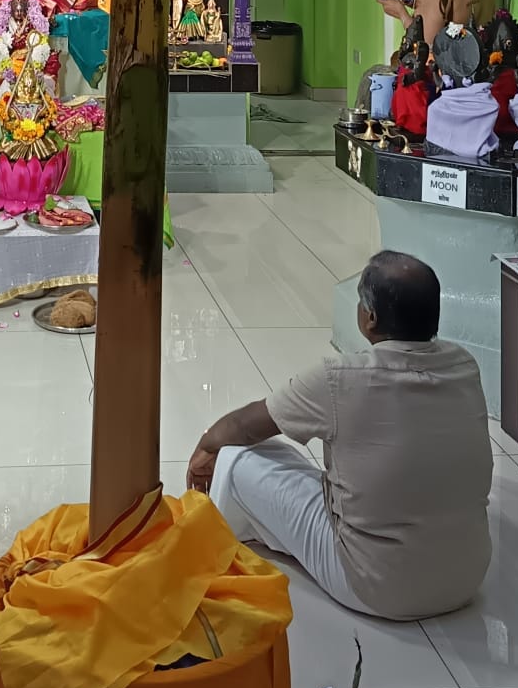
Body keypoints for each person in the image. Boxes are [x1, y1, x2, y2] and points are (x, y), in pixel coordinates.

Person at [186, 251, 492, 621]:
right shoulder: (464, 364)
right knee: (288, 459)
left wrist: (207, 444)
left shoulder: (341, 377)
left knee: (236, 457)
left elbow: (247, 425)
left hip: (376, 587)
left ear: (370, 318)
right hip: (466, 578)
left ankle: (213, 553)